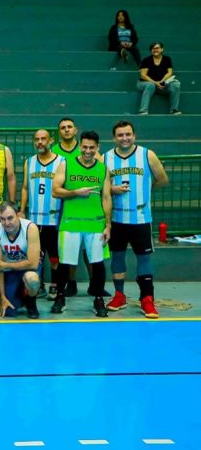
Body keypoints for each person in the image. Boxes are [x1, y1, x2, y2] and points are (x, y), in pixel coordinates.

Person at [104, 121, 169, 318]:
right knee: (117, 258)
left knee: (143, 257)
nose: (125, 138)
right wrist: (112, 189)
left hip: (141, 218)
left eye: (128, 134)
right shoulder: (106, 157)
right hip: (117, 218)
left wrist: (144, 193)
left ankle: (147, 298)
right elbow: (103, 187)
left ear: (134, 135)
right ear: (114, 137)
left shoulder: (147, 154)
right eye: (120, 135)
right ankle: (119, 295)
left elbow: (163, 179)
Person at [50, 130, 112, 317]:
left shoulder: (103, 169)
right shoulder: (66, 165)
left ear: (97, 148)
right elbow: (55, 191)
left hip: (95, 224)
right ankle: (60, 297)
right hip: (71, 223)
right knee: (65, 263)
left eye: (91, 147)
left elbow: (107, 197)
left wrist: (108, 225)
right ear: (80, 146)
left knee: (98, 263)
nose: (87, 151)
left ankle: (98, 299)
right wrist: (76, 192)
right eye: (84, 147)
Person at [19, 129, 65, 299]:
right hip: (34, 218)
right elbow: (24, 187)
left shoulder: (62, 162)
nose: (40, 142)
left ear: (50, 140)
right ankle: (38, 285)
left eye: (43, 139)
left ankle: (55, 284)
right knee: (37, 255)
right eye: (37, 139)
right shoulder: (29, 162)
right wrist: (22, 210)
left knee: (55, 255)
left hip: (55, 217)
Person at [0, 201, 41, 319]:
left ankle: (31, 303)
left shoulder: (30, 228)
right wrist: (2, 297)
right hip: (9, 272)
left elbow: (33, 264)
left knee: (32, 279)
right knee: (9, 312)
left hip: (27, 270)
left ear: (18, 215)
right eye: (2, 219)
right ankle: (20, 295)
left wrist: (5, 264)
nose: (6, 223)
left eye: (10, 218)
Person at [137, 42, 181, 115]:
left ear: (162, 49)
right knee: (150, 85)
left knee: (175, 85)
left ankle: (174, 110)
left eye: (157, 48)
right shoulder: (146, 60)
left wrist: (161, 81)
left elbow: (169, 72)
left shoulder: (167, 59)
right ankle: (143, 110)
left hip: (161, 84)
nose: (155, 50)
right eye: (153, 48)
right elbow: (143, 75)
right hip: (144, 83)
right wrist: (155, 83)